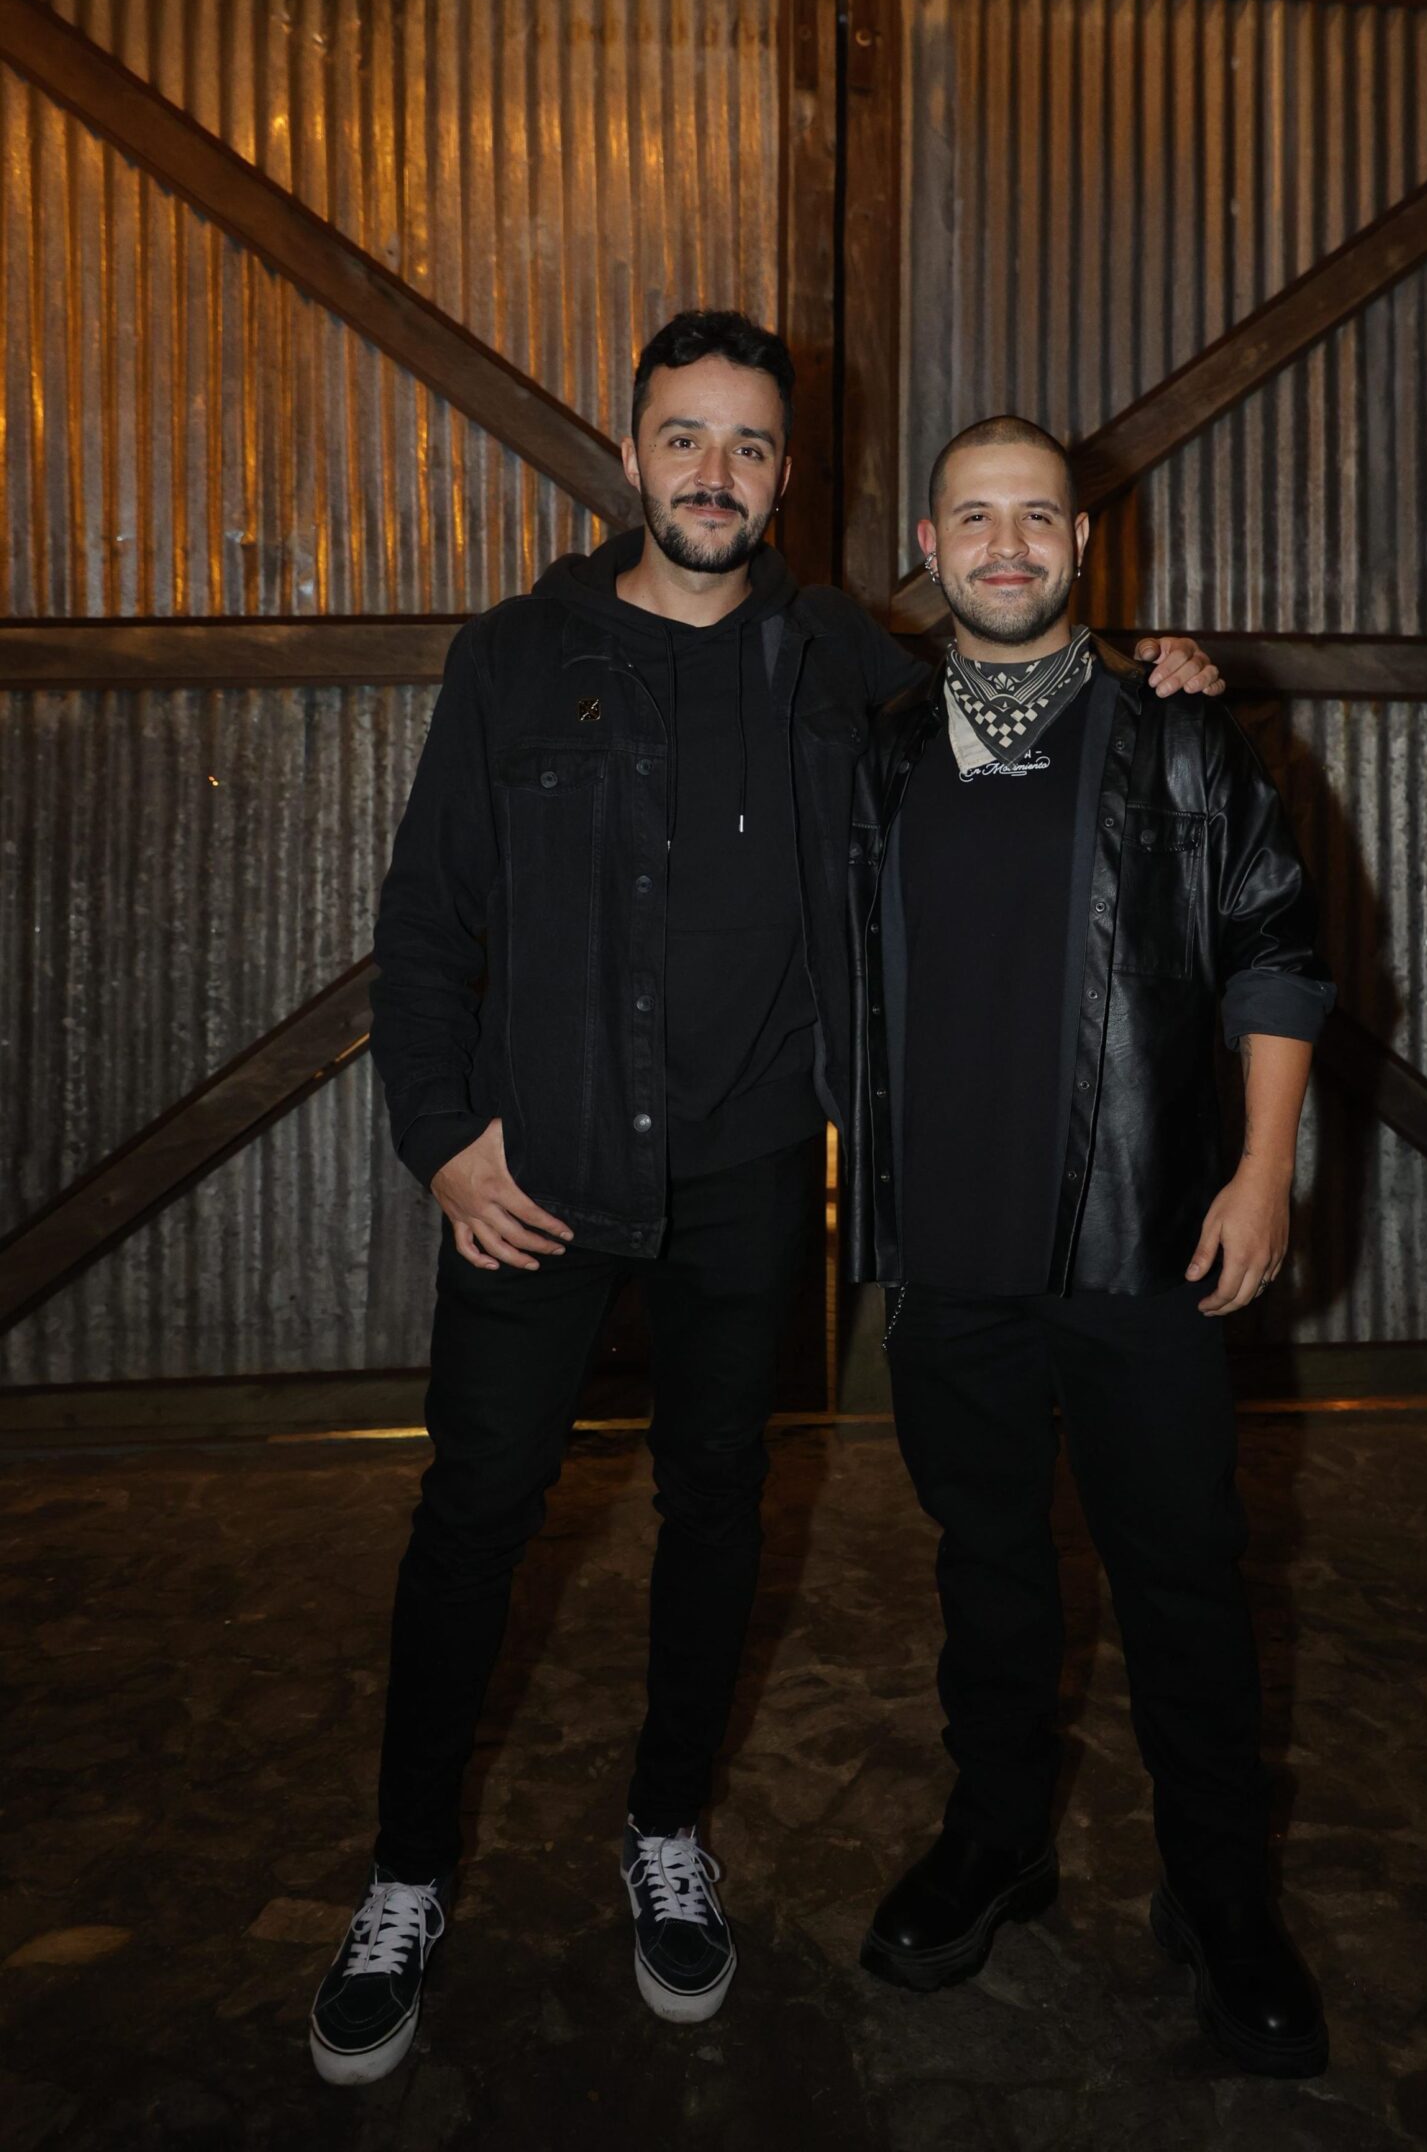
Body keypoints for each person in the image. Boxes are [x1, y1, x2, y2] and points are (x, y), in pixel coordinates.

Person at [308, 316, 1224, 2084]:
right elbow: (425, 921)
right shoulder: (514, 656)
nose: (712, 474)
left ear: (787, 477)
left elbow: (1017, 675)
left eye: (747, 446)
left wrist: (1157, 667)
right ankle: (405, 1875)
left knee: (719, 1507)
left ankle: (668, 1832)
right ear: (630, 452)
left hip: (746, 1175)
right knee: (475, 1516)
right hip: (536, 1168)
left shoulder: (840, 658)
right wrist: (443, 1136)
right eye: (684, 437)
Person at [845, 415, 1335, 2080]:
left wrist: (1261, 1172)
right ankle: (999, 1838)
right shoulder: (881, 749)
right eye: (975, 518)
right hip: (945, 1255)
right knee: (986, 1573)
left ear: (1081, 542)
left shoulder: (1180, 738)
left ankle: (1221, 1894)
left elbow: (1277, 948)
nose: (1007, 545)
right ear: (931, 544)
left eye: (1036, 517)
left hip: (1143, 1241)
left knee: (1183, 1576)